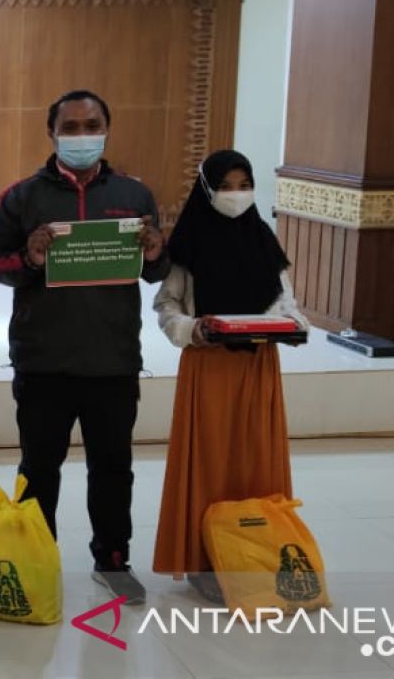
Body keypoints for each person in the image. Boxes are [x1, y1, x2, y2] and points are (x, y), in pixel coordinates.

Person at [0, 89, 169, 605]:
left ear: (107, 130)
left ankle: (113, 559)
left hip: (112, 361)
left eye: (92, 125)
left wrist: (156, 252)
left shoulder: (135, 195)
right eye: (72, 127)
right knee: (38, 469)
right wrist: (32, 258)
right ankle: (35, 557)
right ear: (52, 133)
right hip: (44, 363)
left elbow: (154, 269)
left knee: (113, 468)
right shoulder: (21, 197)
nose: (82, 136)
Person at [152, 149, 306, 602]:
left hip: (258, 366)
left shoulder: (261, 237)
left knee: (256, 458)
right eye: (225, 186)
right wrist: (192, 330)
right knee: (211, 460)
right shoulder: (189, 243)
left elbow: (283, 299)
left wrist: (289, 321)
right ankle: (206, 558)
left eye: (244, 185)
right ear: (207, 190)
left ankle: (260, 553)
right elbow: (167, 308)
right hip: (210, 367)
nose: (236, 195)